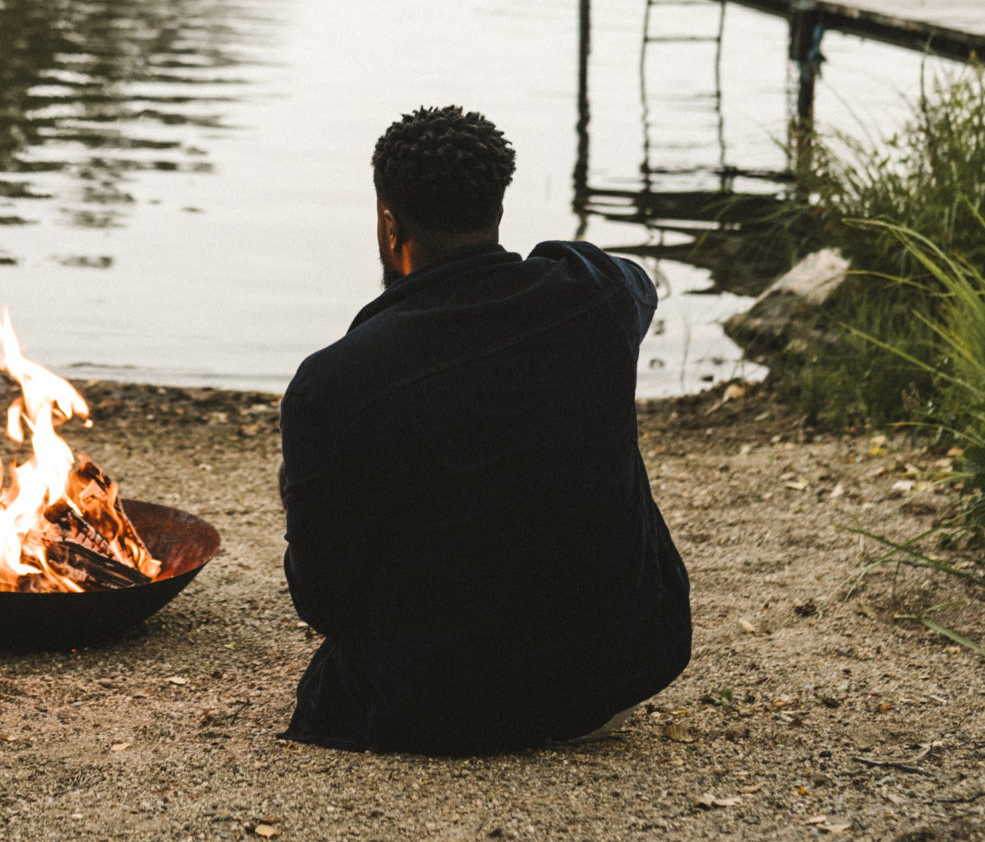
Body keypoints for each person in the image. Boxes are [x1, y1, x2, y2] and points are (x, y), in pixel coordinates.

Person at [278, 105, 691, 754]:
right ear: (498, 207)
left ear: (390, 225)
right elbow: (636, 281)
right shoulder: (598, 299)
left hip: (440, 702)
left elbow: (323, 602)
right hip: (618, 667)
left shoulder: (334, 384)